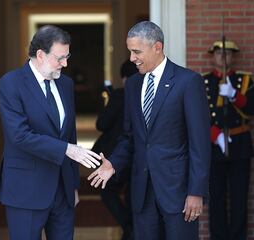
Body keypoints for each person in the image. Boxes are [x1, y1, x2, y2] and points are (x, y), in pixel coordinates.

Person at [87, 21, 211, 239]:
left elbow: (199, 143)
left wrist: (196, 191)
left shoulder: (188, 82)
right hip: (141, 192)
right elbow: (129, 137)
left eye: (136, 52)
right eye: (130, 52)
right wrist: (114, 163)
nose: (132, 58)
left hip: (178, 193)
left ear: (157, 47)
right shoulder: (133, 84)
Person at [0, 25, 101, 240]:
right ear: (40, 55)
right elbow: (19, 135)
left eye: (67, 57)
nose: (66, 64)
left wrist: (73, 185)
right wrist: (67, 150)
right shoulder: (11, 83)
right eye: (59, 58)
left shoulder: (66, 84)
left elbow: (69, 134)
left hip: (63, 190)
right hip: (26, 189)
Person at [203, 40, 254, 240]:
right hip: (214, 145)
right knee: (216, 196)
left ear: (233, 57)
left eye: (228, 53)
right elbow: (197, 115)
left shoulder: (245, 80)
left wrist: (234, 95)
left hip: (240, 143)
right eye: (219, 53)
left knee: (239, 196)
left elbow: (251, 109)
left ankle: (238, 236)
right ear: (212, 56)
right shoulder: (203, 81)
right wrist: (214, 135)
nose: (223, 57)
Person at [91, 59, 138, 240]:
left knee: (107, 191)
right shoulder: (146, 93)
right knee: (133, 195)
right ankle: (131, 230)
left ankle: (129, 227)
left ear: (125, 78)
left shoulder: (120, 95)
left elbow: (101, 124)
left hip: (117, 154)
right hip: (138, 157)